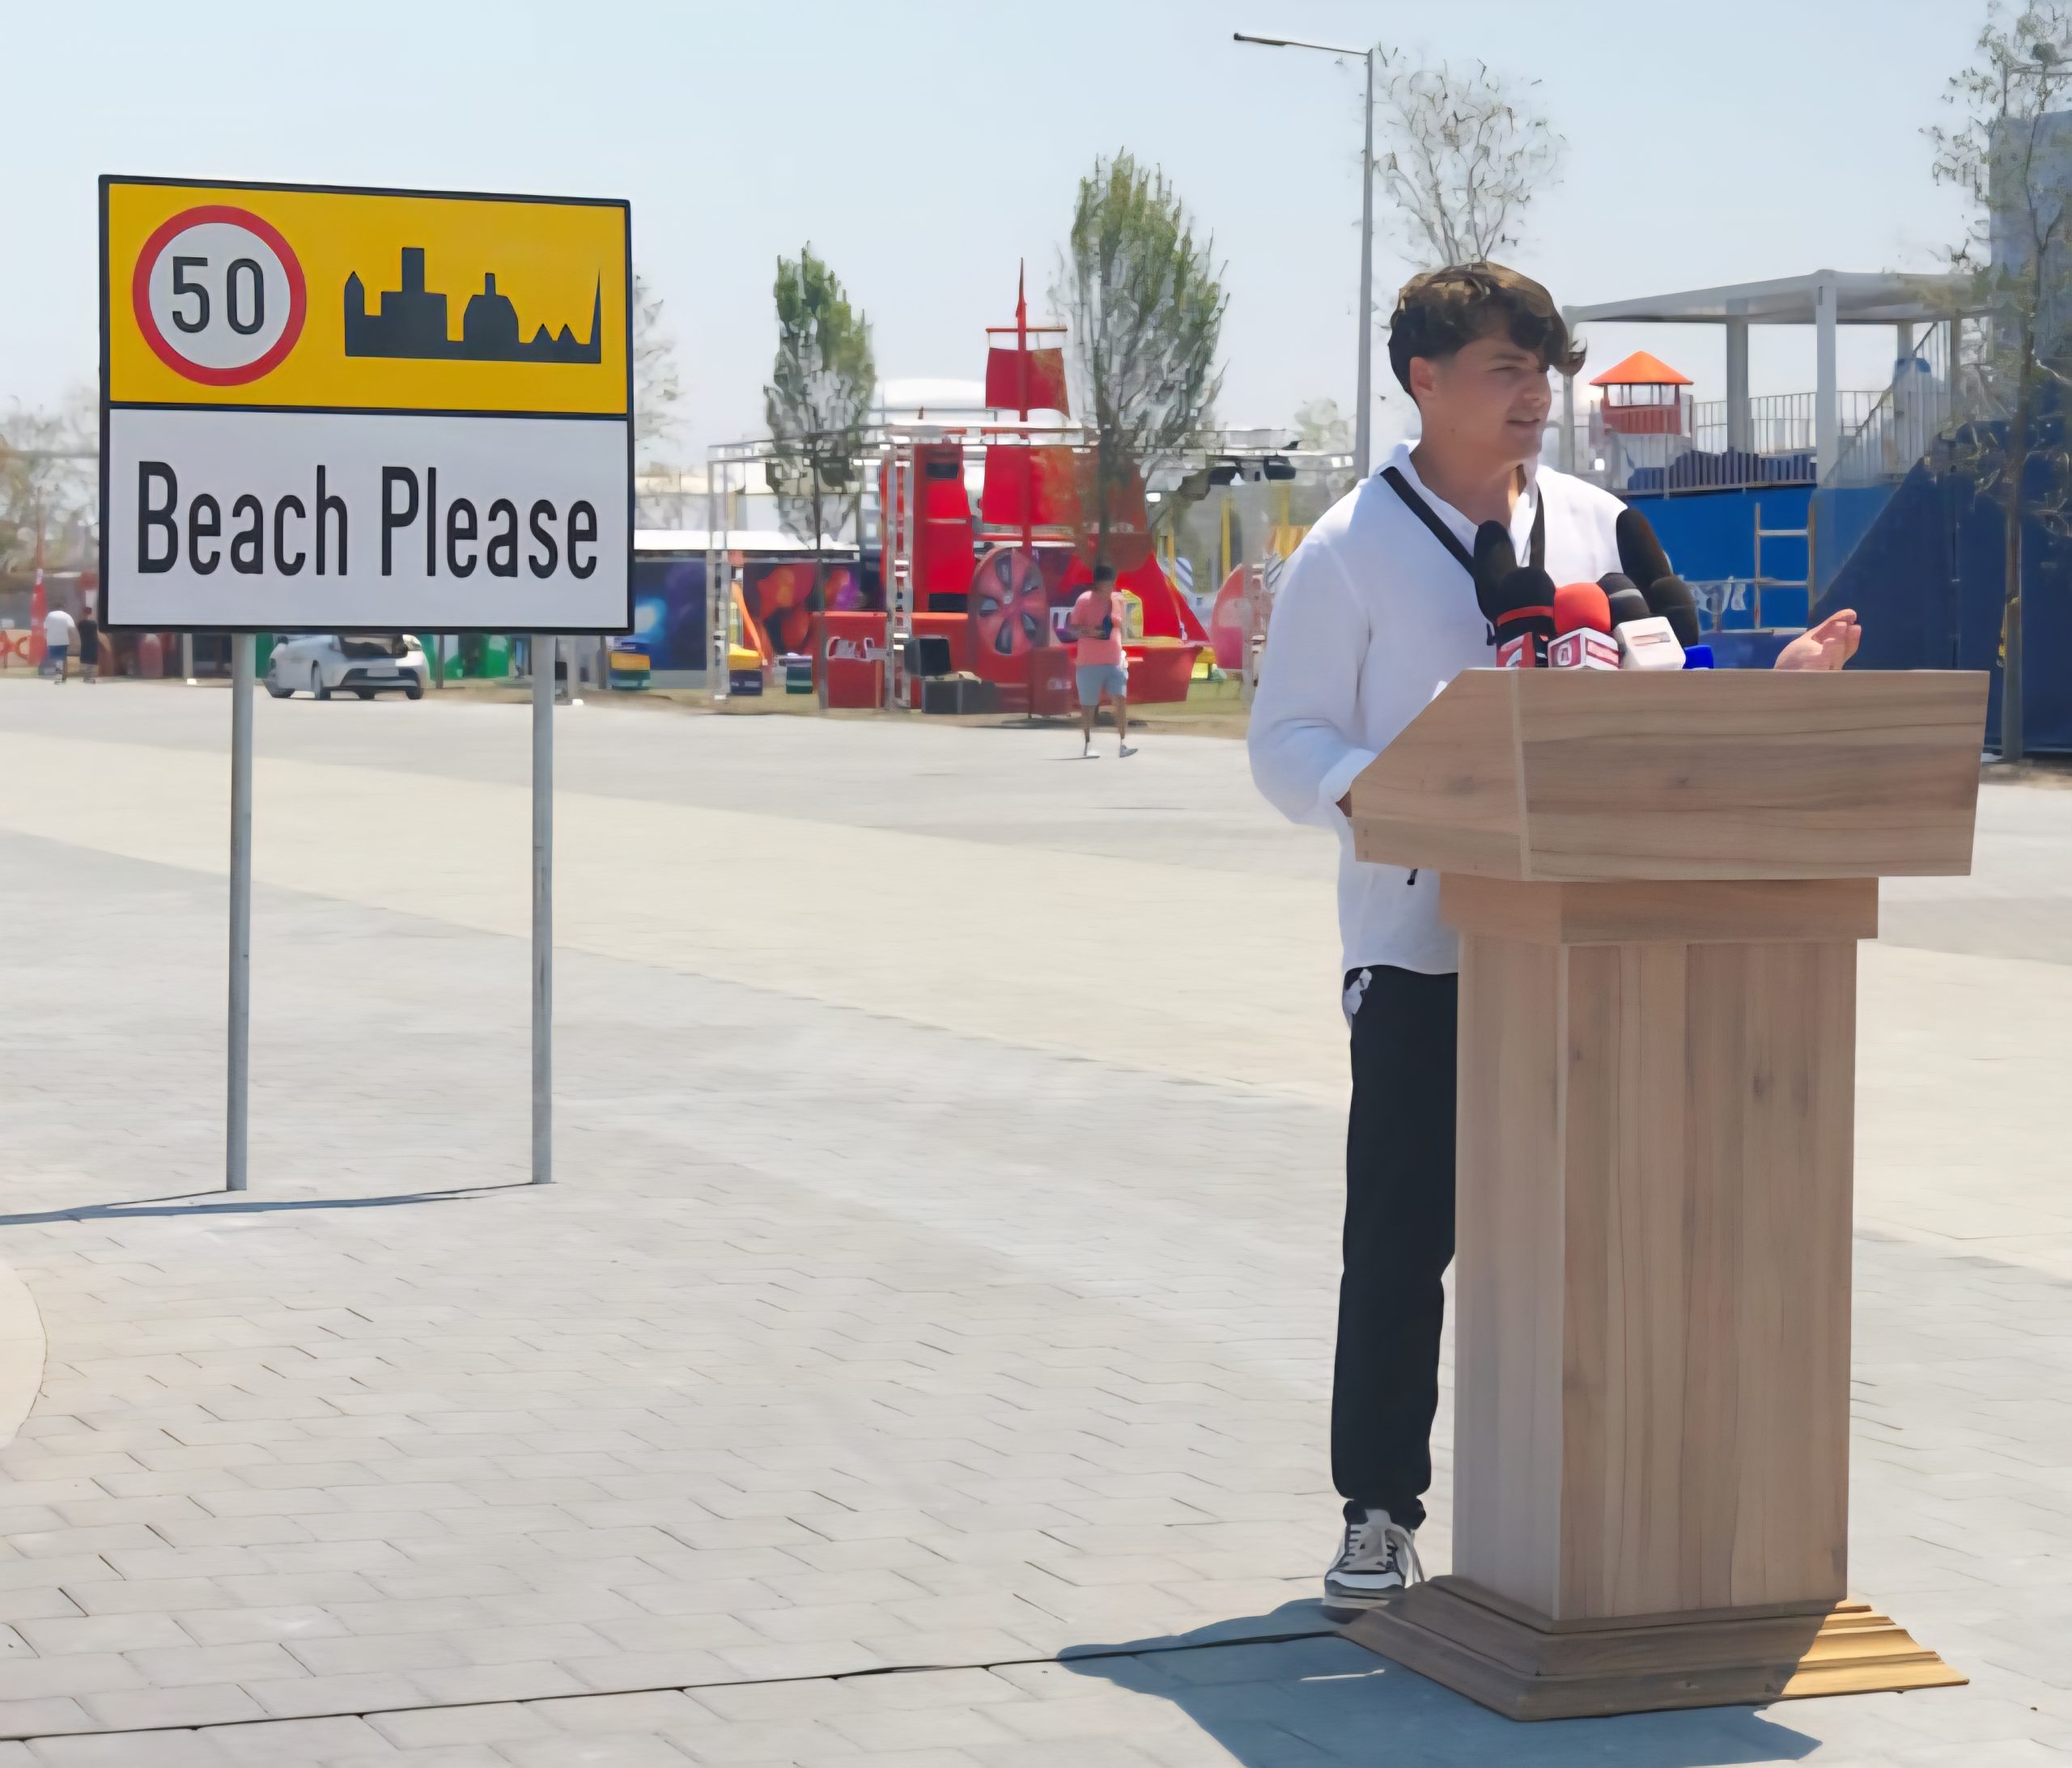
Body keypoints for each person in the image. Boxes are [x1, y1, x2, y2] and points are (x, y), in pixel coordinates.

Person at [1247, 262, 1862, 1609]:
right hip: (1426, 948)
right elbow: (1284, 740)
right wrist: (1390, 797)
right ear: (1424, 380)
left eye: (1543, 371)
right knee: (1404, 1240)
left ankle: (1620, 1505)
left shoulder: (1600, 526)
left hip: (1610, 950)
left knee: (1613, 1233)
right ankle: (1377, 1511)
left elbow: (1668, 696)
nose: (1535, 396)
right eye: (1505, 370)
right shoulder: (1349, 546)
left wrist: (1774, 689)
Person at [1071, 564, 1135, 758]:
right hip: (1088, 662)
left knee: (1120, 700)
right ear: (1097, 584)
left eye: (1111, 584)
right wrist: (1090, 632)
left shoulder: (1118, 601)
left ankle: (1123, 744)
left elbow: (1120, 627)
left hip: (1114, 661)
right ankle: (1088, 745)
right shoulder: (1084, 601)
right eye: (1106, 584)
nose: (1109, 588)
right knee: (1088, 706)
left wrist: (1123, 652)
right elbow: (1072, 629)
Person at [43, 604, 76, 686]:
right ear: (62, 609)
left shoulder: (49, 616)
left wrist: (46, 640)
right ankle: (63, 677)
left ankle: (58, 676)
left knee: (56, 659)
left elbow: (45, 628)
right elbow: (72, 628)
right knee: (63, 658)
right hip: (63, 640)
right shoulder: (66, 615)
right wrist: (73, 640)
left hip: (52, 640)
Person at [77, 606, 100, 685]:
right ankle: (88, 677)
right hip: (92, 642)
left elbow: (80, 629)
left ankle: (86, 677)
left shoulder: (81, 623)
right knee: (91, 659)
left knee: (86, 659)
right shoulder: (93, 622)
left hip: (85, 642)